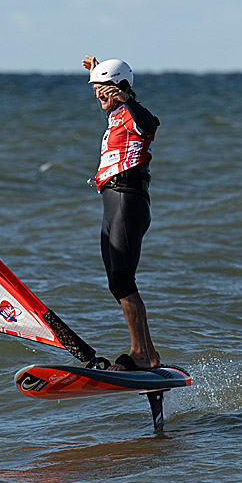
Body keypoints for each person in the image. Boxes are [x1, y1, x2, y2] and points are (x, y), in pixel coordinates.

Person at [83, 56, 161, 371]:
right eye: (95, 89)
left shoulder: (134, 114)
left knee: (123, 278)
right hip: (112, 201)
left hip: (129, 199)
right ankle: (150, 355)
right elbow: (113, 94)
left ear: (121, 89)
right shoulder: (116, 114)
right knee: (117, 283)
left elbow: (150, 123)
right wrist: (101, 73)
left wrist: (126, 94)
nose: (98, 94)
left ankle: (140, 354)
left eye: (104, 88)